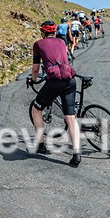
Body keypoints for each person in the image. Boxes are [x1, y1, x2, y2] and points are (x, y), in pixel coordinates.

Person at [27, 21, 82, 167]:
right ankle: (76, 153)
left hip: (55, 81)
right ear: (54, 31)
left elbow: (35, 69)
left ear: (42, 32)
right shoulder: (62, 42)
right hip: (70, 79)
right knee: (70, 117)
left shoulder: (38, 44)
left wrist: (33, 80)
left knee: (36, 109)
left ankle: (40, 144)